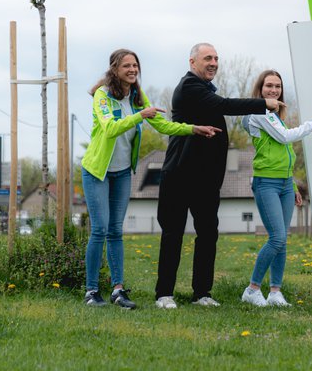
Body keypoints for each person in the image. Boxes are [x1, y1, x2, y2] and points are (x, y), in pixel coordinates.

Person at [81, 49, 219, 309]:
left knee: (115, 231)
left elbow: (163, 125)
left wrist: (192, 129)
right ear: (114, 69)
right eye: (126, 66)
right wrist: (139, 115)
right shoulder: (102, 96)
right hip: (97, 171)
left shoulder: (136, 96)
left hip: (122, 172)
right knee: (100, 229)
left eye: (135, 65)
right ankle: (91, 290)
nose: (132, 70)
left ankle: (118, 290)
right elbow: (110, 128)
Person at [154, 43, 283, 310]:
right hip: (179, 174)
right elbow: (224, 105)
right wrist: (263, 103)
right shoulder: (189, 86)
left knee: (208, 234)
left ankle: (202, 293)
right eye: (207, 58)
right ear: (192, 62)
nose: (214, 62)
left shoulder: (205, 89)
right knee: (173, 234)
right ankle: (164, 294)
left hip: (206, 178)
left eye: (216, 58)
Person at [240, 70, 312, 307]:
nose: (274, 90)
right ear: (260, 89)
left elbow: (283, 154)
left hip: (284, 183)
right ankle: (252, 289)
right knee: (277, 237)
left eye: (278, 86)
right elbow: (285, 138)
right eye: (269, 85)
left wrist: (292, 184)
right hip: (266, 182)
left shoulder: (274, 115)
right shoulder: (258, 113)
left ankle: (275, 292)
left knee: (282, 240)